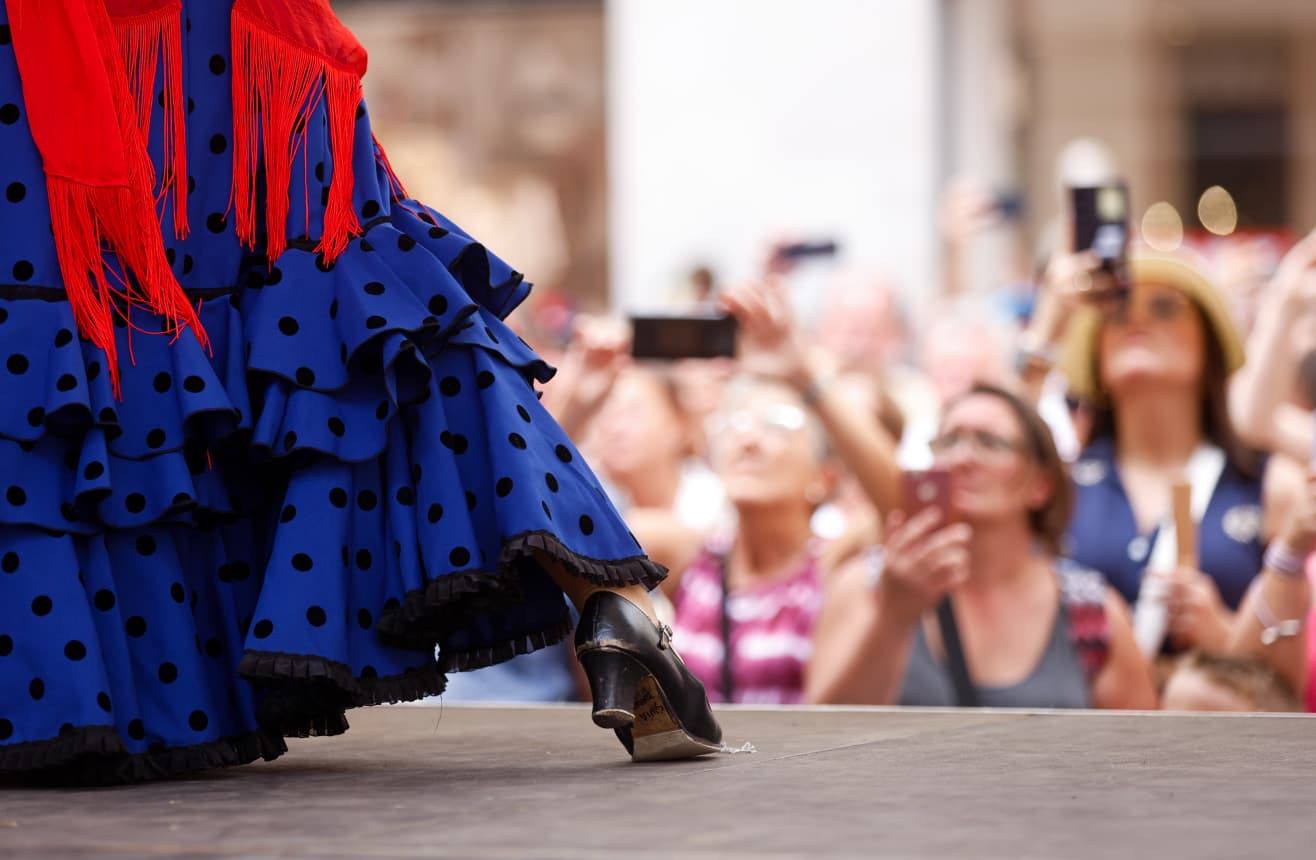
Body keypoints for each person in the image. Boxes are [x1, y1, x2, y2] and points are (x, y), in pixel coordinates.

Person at [0, 0, 716, 783]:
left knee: (88, 317)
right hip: (227, 40)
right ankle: (615, 610)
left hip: (38, 50)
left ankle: (94, 681)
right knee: (354, 296)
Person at [630, 276, 903, 705]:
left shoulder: (835, 565)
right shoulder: (690, 557)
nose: (749, 439)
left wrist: (802, 374)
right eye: (735, 423)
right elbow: (566, 532)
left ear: (824, 476)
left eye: (777, 424)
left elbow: (904, 509)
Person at [807, 384, 1156, 709]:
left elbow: (1138, 757)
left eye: (989, 442)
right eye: (948, 441)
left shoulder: (1091, 612)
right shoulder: (867, 585)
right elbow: (819, 740)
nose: (962, 458)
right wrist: (894, 619)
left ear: (1040, 485)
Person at [1045, 250, 1279, 655]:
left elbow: (1293, 684)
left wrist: (1226, 638)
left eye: (1165, 307)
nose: (1137, 321)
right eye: (1117, 313)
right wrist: (1044, 329)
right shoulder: (1057, 486)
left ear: (1210, 344)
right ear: (1095, 354)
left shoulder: (1270, 486)